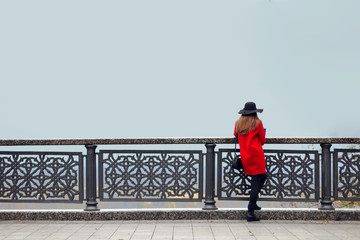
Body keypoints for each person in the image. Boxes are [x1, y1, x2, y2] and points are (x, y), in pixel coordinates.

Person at [234, 102, 267, 222]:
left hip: (245, 157)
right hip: (257, 156)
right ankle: (250, 211)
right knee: (257, 181)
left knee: (262, 177)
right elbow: (263, 140)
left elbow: (235, 135)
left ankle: (254, 203)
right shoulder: (257, 123)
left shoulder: (238, 123)